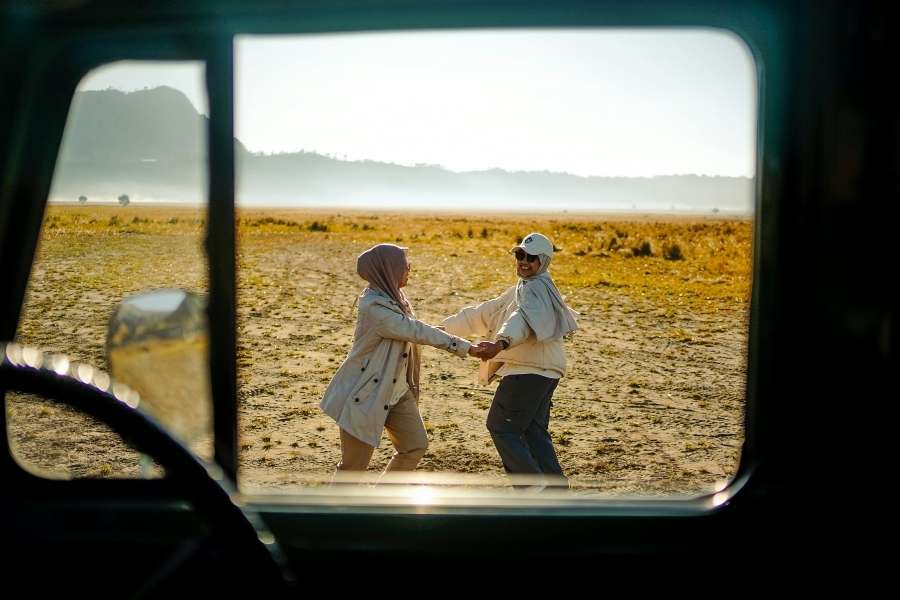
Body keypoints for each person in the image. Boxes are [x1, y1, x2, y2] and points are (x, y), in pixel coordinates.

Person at [320, 243, 481, 479]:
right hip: (365, 394)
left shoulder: (395, 298)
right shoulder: (374, 307)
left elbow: (413, 330)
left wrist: (451, 336)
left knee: (414, 446)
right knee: (353, 469)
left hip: (396, 390)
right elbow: (413, 330)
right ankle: (335, 505)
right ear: (389, 269)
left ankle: (381, 499)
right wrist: (467, 348)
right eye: (404, 265)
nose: (409, 269)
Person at [441, 232, 578, 488]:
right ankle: (556, 492)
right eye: (520, 255)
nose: (524, 261)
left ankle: (532, 489)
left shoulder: (535, 288)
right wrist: (442, 331)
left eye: (531, 258)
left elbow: (521, 320)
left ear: (543, 261)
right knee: (533, 431)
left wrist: (500, 343)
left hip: (529, 371)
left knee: (501, 427)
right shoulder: (527, 286)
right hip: (545, 371)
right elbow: (487, 311)